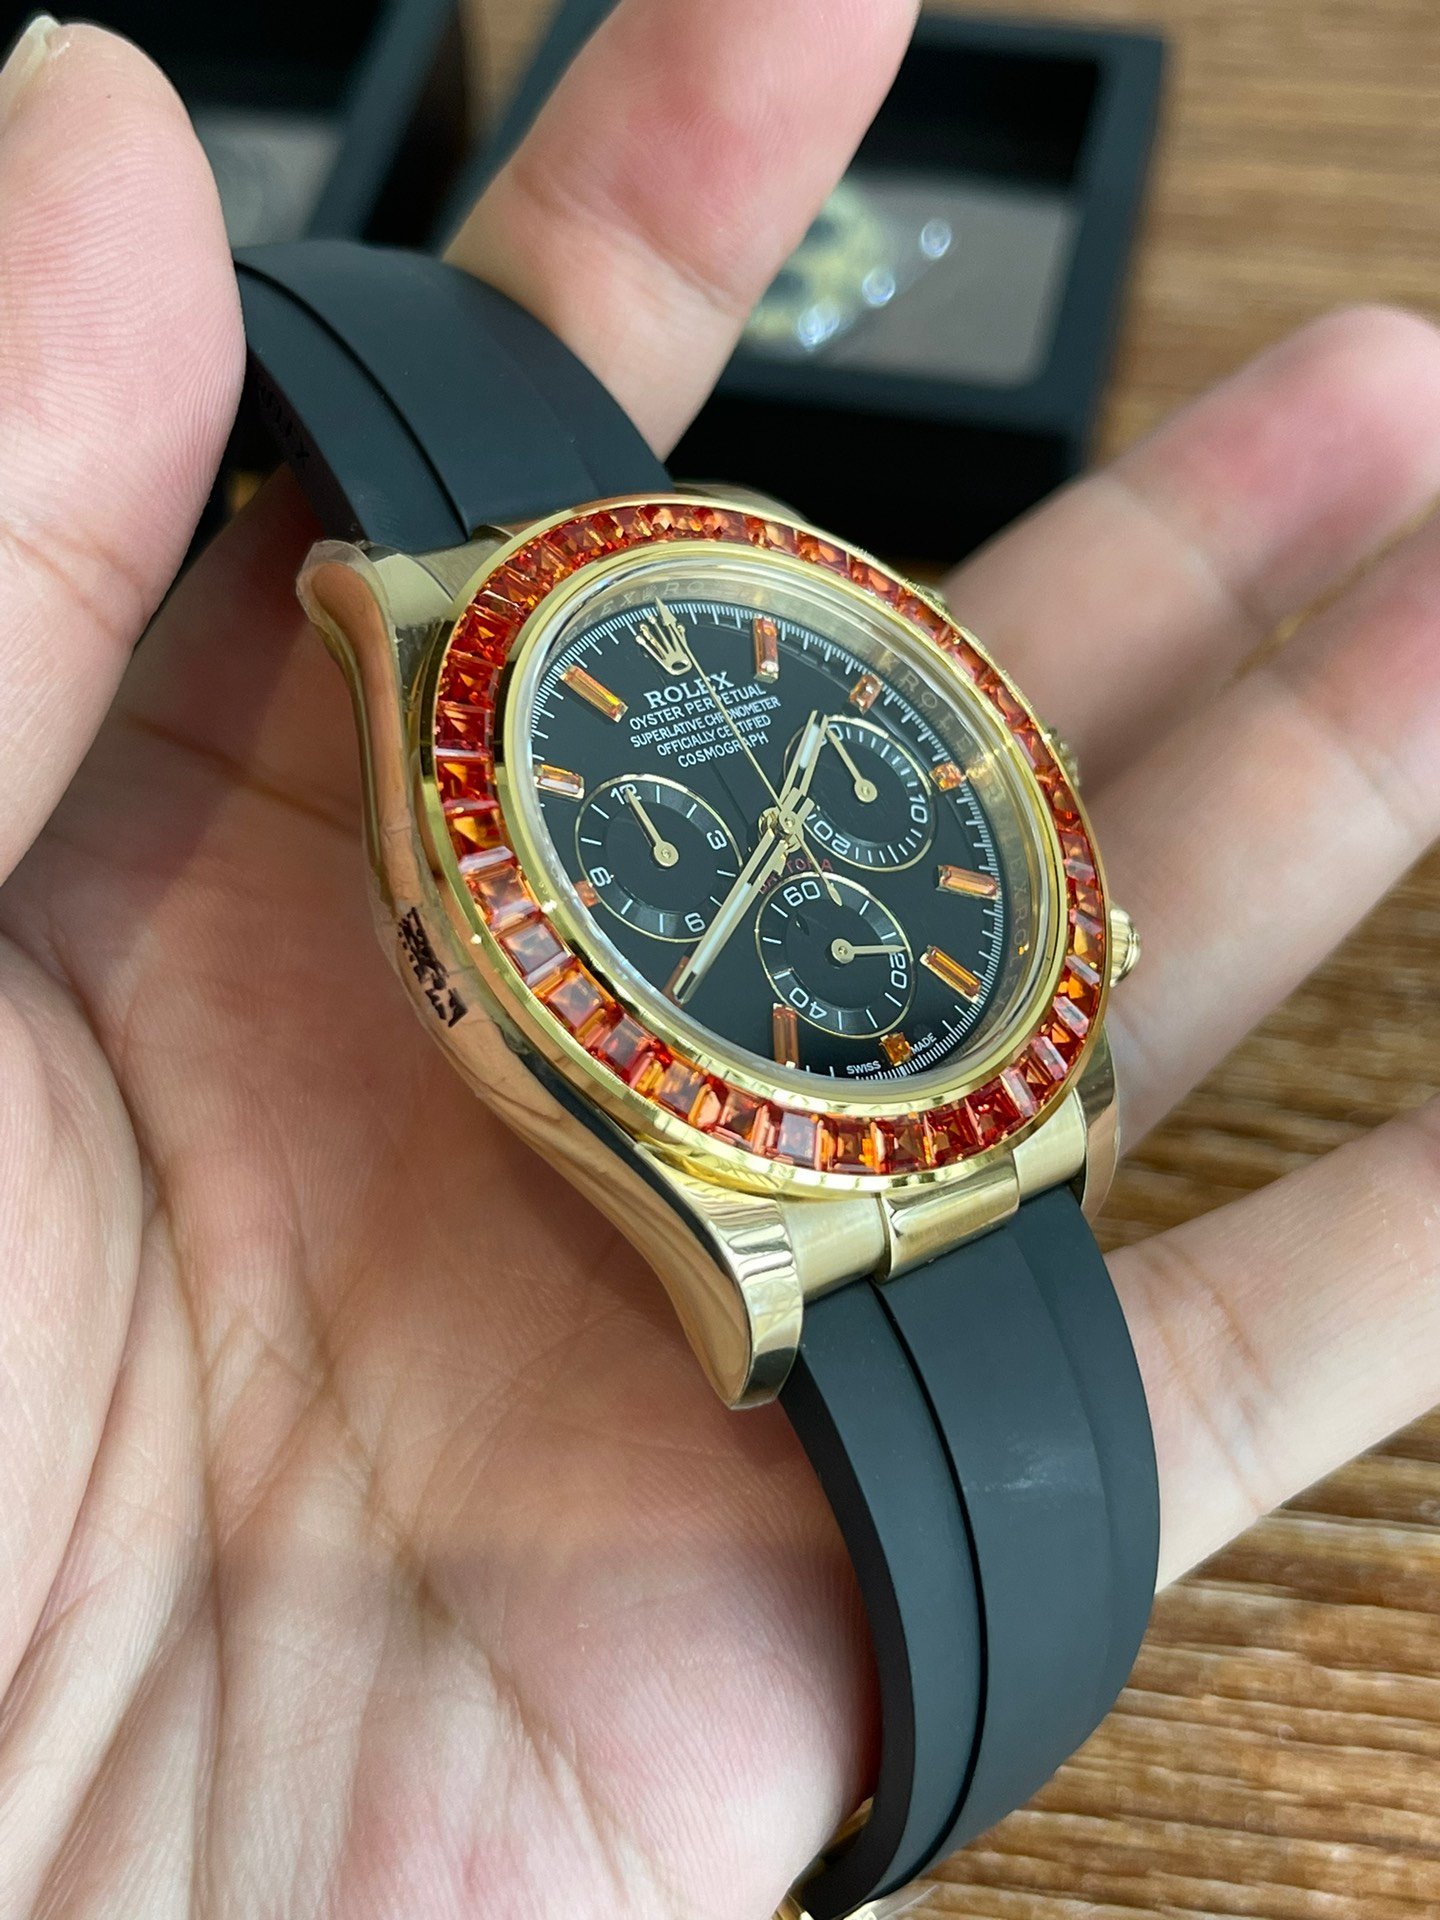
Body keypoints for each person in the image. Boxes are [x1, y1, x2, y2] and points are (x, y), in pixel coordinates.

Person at [0, 5, 1436, 1914]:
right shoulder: (404, 627)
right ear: (451, 943)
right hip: (755, 1176)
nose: (764, 831)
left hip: (934, 1050)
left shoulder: (801, 661)